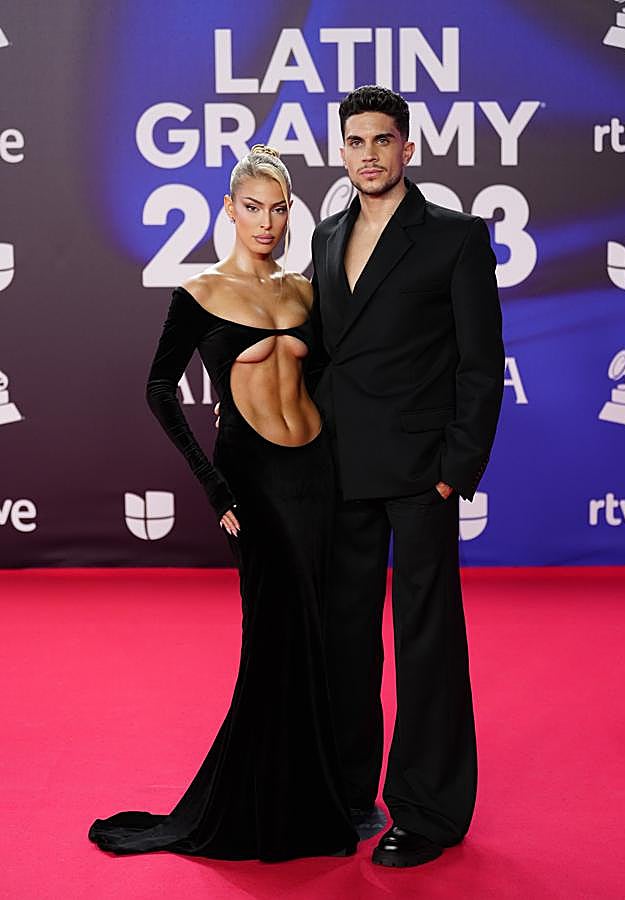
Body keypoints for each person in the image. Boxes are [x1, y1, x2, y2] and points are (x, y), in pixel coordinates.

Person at [88, 145, 358, 862]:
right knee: (275, 637)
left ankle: (316, 801)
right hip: (254, 482)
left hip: (315, 475)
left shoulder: (305, 291)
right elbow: (157, 391)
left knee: (317, 639)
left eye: (278, 209)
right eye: (252, 207)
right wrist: (214, 488)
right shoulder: (199, 293)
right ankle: (257, 805)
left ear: (289, 214)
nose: (266, 221)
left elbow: (331, 380)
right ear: (229, 210)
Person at [309, 86, 505, 867]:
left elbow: (480, 365)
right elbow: (323, 355)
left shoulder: (454, 238)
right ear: (342, 150)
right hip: (339, 468)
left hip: (422, 475)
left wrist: (457, 470)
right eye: (354, 141)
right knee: (345, 641)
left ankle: (427, 810)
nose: (368, 155)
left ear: (408, 148)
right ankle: (352, 794)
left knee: (427, 642)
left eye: (382, 141)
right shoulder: (325, 235)